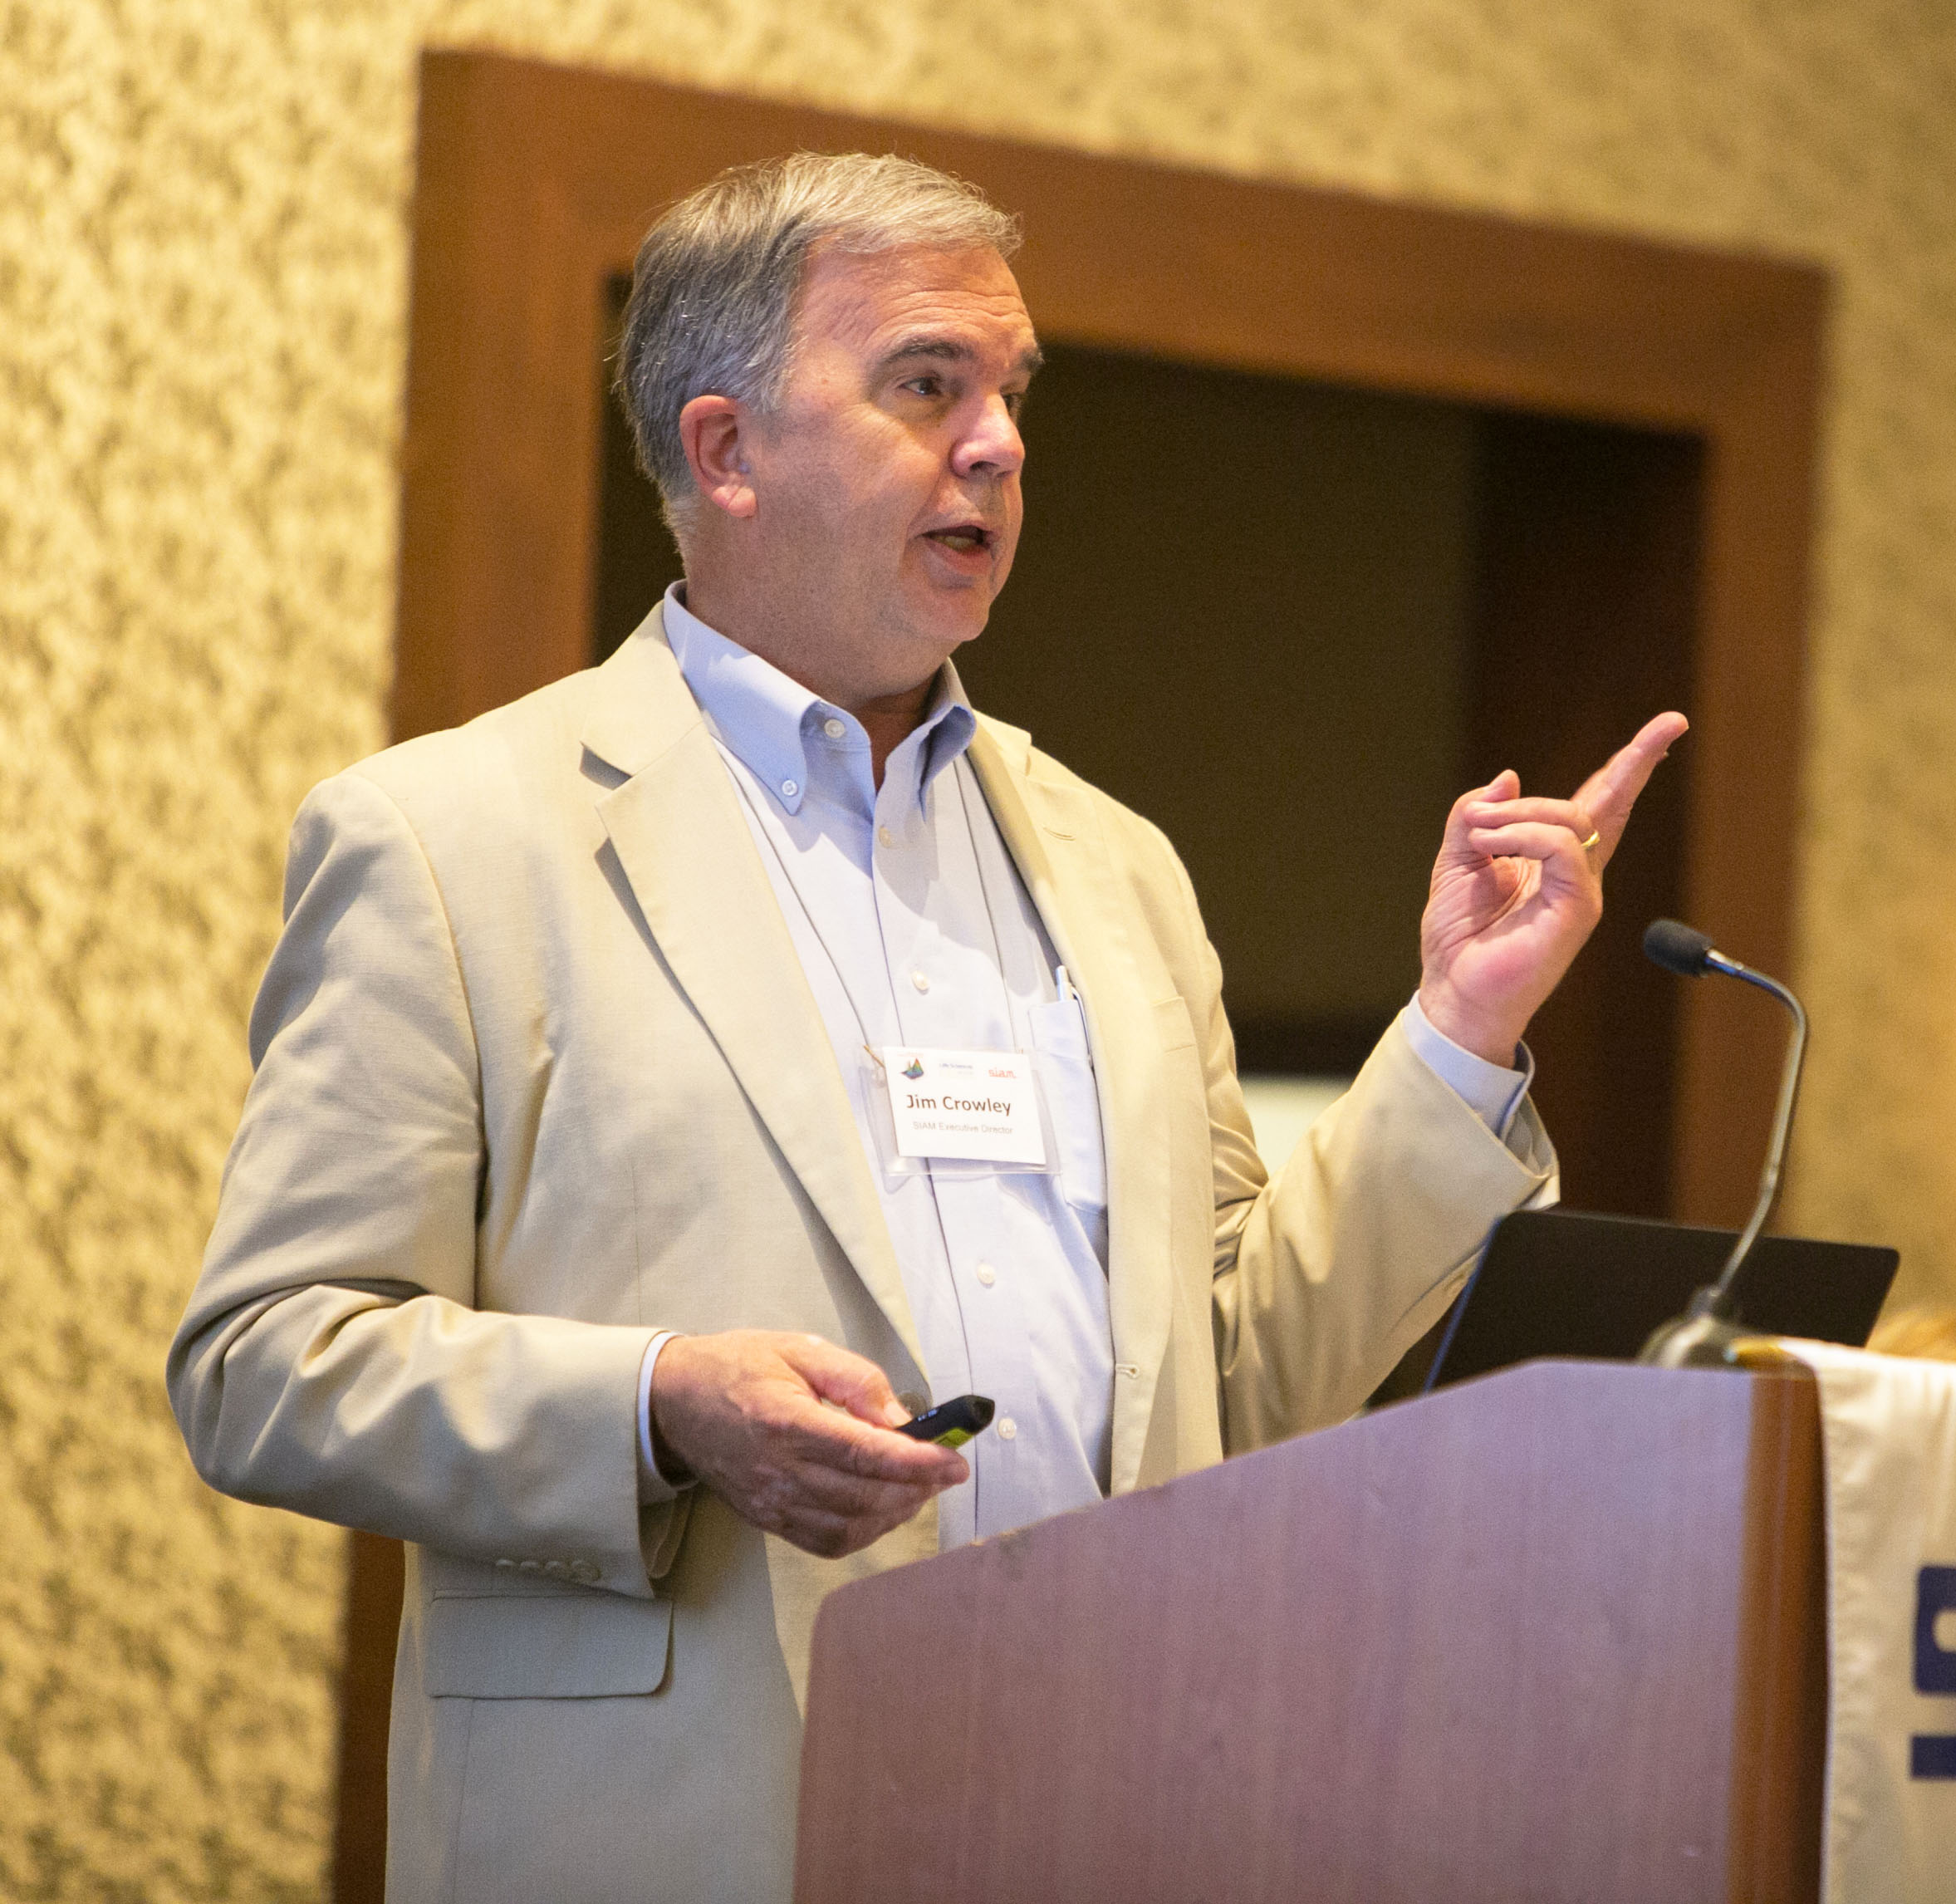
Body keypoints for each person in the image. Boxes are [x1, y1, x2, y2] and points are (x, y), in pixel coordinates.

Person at [168, 152, 1685, 1901]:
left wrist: (1456, 1035)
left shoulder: (1116, 866)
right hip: (678, 1834)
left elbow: (1231, 1381)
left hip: (1109, 1814)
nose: (1000, 446)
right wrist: (660, 1405)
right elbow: (266, 1362)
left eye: (1012, 395)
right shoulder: (453, 841)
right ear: (726, 451)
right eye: (924, 386)